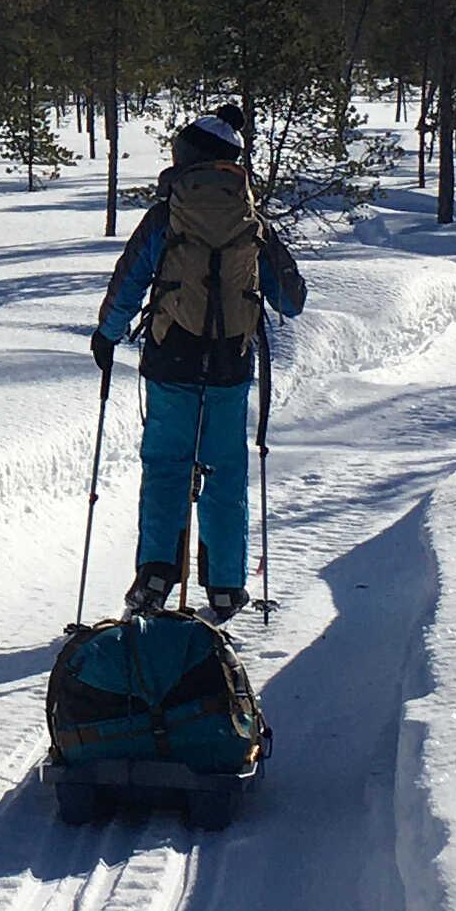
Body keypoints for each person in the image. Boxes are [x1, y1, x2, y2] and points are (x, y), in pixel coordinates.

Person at [90, 108, 305, 622]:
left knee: (166, 469)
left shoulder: (168, 215)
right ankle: (227, 585)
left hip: (171, 359)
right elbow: (292, 299)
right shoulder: (252, 220)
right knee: (226, 471)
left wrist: (107, 335)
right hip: (230, 364)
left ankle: (156, 578)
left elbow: (129, 280)